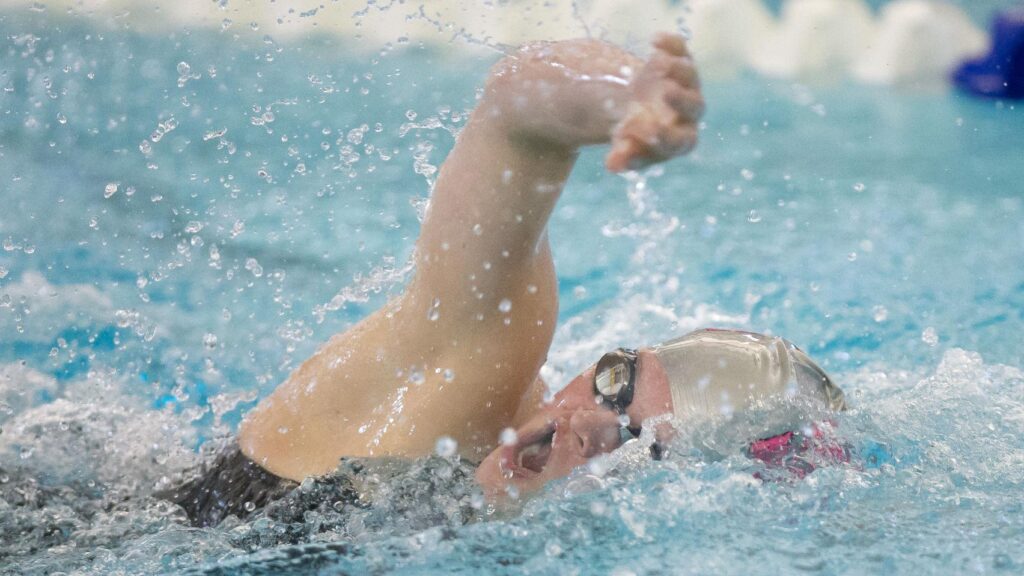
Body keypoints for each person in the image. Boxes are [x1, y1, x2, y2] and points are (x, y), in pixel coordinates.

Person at [170, 33, 845, 526]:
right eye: (616, 381)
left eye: (638, 443)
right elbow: (515, 112)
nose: (581, 421)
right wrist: (627, 98)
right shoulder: (468, 390)